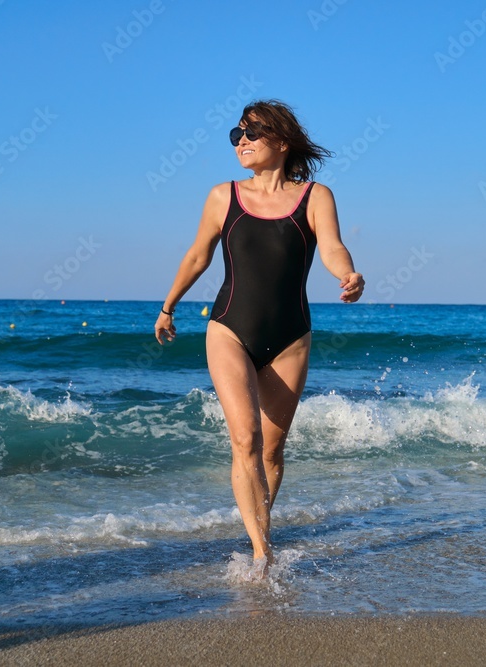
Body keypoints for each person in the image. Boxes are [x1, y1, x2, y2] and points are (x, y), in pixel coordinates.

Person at [154, 99, 364, 572]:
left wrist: (348, 274)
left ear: (282, 142)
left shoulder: (315, 196)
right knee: (245, 439)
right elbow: (196, 257)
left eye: (251, 133)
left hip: (291, 336)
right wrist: (168, 307)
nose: (241, 141)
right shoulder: (221, 196)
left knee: (271, 449)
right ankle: (261, 553)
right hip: (230, 328)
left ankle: (261, 527)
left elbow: (331, 246)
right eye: (236, 134)